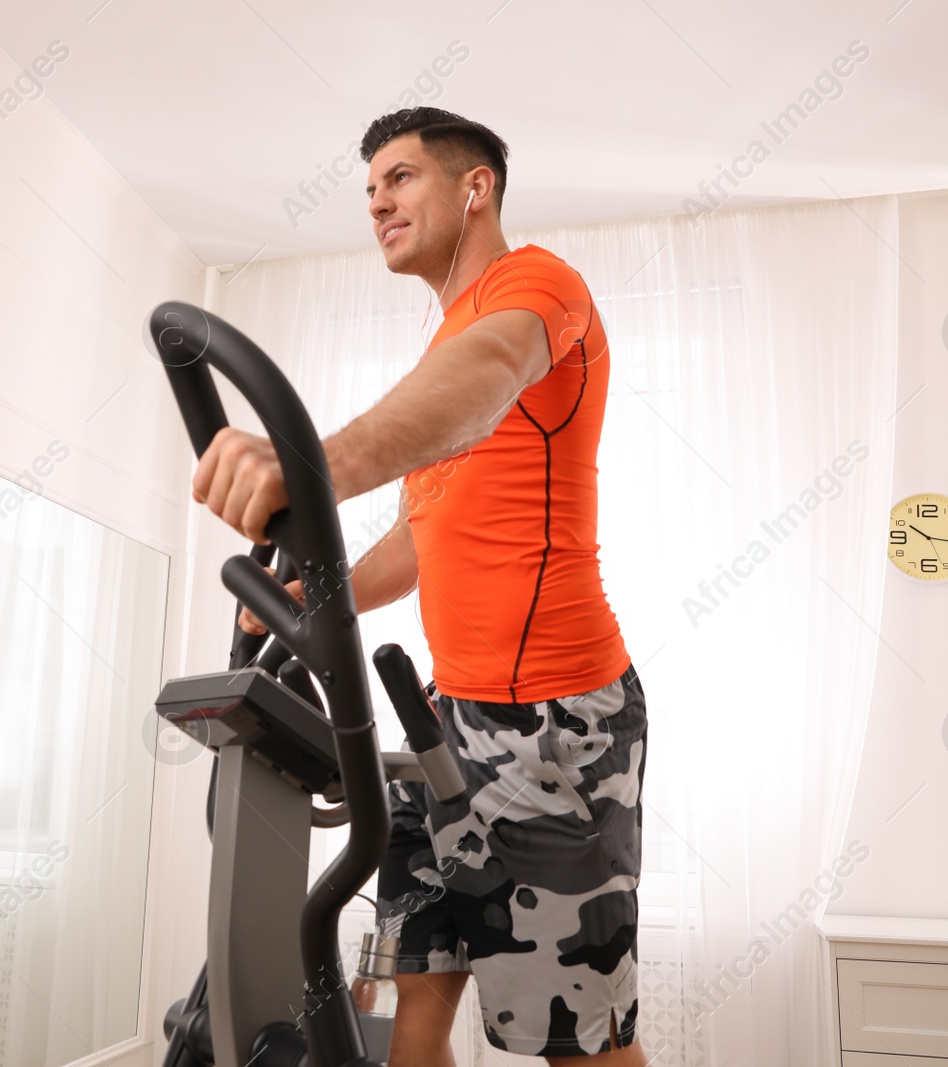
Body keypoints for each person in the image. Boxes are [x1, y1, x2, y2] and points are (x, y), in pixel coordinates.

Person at [191, 107, 647, 1065]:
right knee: (411, 991)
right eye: (368, 191)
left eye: (398, 179)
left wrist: (306, 464)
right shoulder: (443, 339)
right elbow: (419, 537)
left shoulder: (536, 292)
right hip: (445, 715)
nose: (377, 204)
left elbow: (487, 377)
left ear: (473, 186)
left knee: (577, 1041)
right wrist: (315, 602)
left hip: (555, 719)